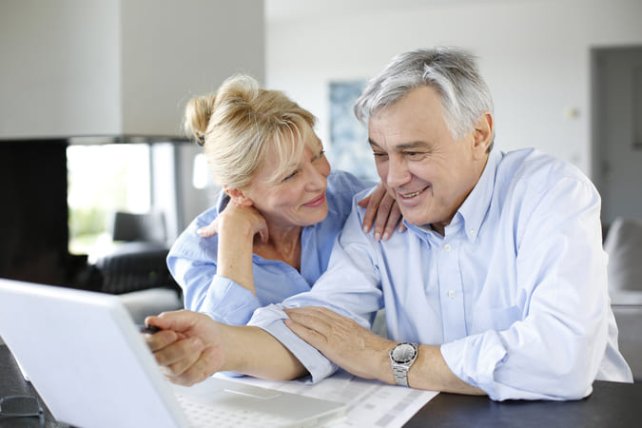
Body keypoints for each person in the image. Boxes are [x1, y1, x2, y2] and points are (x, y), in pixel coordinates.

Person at [146, 48, 633, 401]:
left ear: (480, 134)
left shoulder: (550, 192)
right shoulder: (378, 217)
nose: (395, 179)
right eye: (380, 155)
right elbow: (317, 323)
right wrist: (222, 345)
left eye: (414, 153)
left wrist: (387, 358)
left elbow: (560, 361)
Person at [168, 74, 401, 326]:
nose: (319, 182)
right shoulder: (198, 252)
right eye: (290, 175)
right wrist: (235, 236)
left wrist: (399, 192)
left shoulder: (345, 196)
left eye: (318, 156)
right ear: (238, 192)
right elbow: (225, 354)